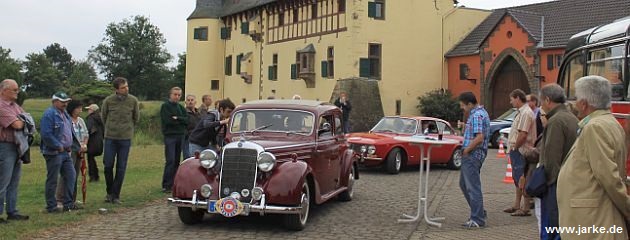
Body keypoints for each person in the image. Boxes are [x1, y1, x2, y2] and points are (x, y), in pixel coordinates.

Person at [557, 76, 630, 240]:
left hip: (592, 221)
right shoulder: (609, 122)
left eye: (577, 99)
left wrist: (627, 208)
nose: (575, 103)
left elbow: (608, 177)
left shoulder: (594, 127)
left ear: (584, 103)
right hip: (595, 217)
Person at [537, 84, 579, 240]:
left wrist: (547, 184)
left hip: (556, 185)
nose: (541, 105)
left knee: (552, 227)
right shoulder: (571, 117)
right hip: (568, 181)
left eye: (542, 101)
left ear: (548, 100)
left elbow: (552, 158)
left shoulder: (555, 121)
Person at [101, 77, 139, 204]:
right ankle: (109, 192)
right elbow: (104, 117)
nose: (126, 89)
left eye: (127, 86)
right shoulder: (108, 101)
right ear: (116, 89)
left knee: (121, 167)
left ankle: (116, 195)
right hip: (110, 138)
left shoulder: (133, 101)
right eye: (123, 87)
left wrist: (127, 129)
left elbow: (136, 118)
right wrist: (110, 128)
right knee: (108, 165)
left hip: (125, 138)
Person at [40, 91, 80, 212]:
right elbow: (46, 134)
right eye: (62, 102)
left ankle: (68, 203)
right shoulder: (49, 114)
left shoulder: (65, 114)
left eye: (66, 102)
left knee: (71, 175)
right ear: (55, 102)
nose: (65, 104)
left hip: (66, 151)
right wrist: (58, 146)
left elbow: (68, 131)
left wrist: (71, 145)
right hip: (54, 152)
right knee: (53, 179)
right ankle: (51, 206)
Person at [457, 92, 490, 228]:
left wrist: (466, 150)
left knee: (472, 187)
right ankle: (479, 211)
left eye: (463, 106)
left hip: (472, 155)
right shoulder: (481, 113)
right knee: (464, 184)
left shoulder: (476, 115)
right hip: (474, 155)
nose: (462, 109)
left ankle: (477, 219)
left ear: (470, 104)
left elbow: (479, 137)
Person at [0, 79, 29, 222]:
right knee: (3, 181)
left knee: (14, 181)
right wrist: (24, 121)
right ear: (4, 90)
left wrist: (24, 120)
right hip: (4, 146)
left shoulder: (15, 106)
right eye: (14, 90)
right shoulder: (1, 106)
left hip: (16, 146)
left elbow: (27, 118)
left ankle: (12, 211)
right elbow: (18, 124)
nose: (17, 92)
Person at [504, 89, 536, 217]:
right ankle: (517, 205)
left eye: (512, 98)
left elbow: (523, 134)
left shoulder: (526, 113)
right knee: (517, 178)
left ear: (517, 98)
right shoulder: (521, 112)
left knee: (523, 178)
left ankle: (525, 207)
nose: (510, 101)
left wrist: (515, 147)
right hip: (518, 149)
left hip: (522, 150)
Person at [56, 101, 88, 206]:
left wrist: (84, 145)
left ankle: (72, 198)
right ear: (73, 109)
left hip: (80, 150)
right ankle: (60, 198)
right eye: (78, 108)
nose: (80, 110)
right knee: (67, 174)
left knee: (76, 174)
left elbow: (86, 134)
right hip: (70, 150)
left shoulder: (81, 121)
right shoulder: (67, 120)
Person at [160, 87, 188, 193]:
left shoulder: (181, 107)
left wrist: (178, 118)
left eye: (179, 95)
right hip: (170, 136)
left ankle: (174, 183)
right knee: (170, 160)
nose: (177, 97)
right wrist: (179, 120)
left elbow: (186, 120)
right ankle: (166, 184)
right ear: (170, 95)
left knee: (177, 161)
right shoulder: (165, 106)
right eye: (175, 94)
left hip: (180, 136)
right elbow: (168, 121)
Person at [85, 104, 104, 182]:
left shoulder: (91, 118)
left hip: (92, 142)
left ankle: (93, 177)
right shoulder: (100, 118)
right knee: (91, 159)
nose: (88, 111)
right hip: (99, 142)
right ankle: (95, 176)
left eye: (89, 109)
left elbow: (88, 129)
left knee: (90, 159)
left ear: (92, 110)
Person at [183, 94, 200, 159]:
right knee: (188, 158)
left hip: (198, 139)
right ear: (185, 102)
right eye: (188, 100)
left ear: (195, 102)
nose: (190, 102)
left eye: (192, 100)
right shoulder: (183, 113)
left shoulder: (198, 113)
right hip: (188, 139)